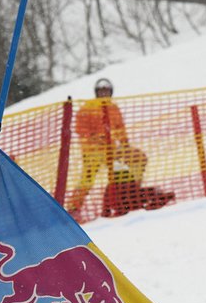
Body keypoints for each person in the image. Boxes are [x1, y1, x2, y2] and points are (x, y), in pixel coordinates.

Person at [69, 78, 173, 219]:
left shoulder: (113, 108)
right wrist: (96, 139)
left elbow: (120, 130)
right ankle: (74, 208)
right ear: (96, 92)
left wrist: (125, 146)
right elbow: (81, 130)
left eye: (107, 91)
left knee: (138, 158)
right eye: (101, 91)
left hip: (112, 150)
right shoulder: (87, 108)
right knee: (88, 179)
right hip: (93, 151)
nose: (104, 94)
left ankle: (132, 193)